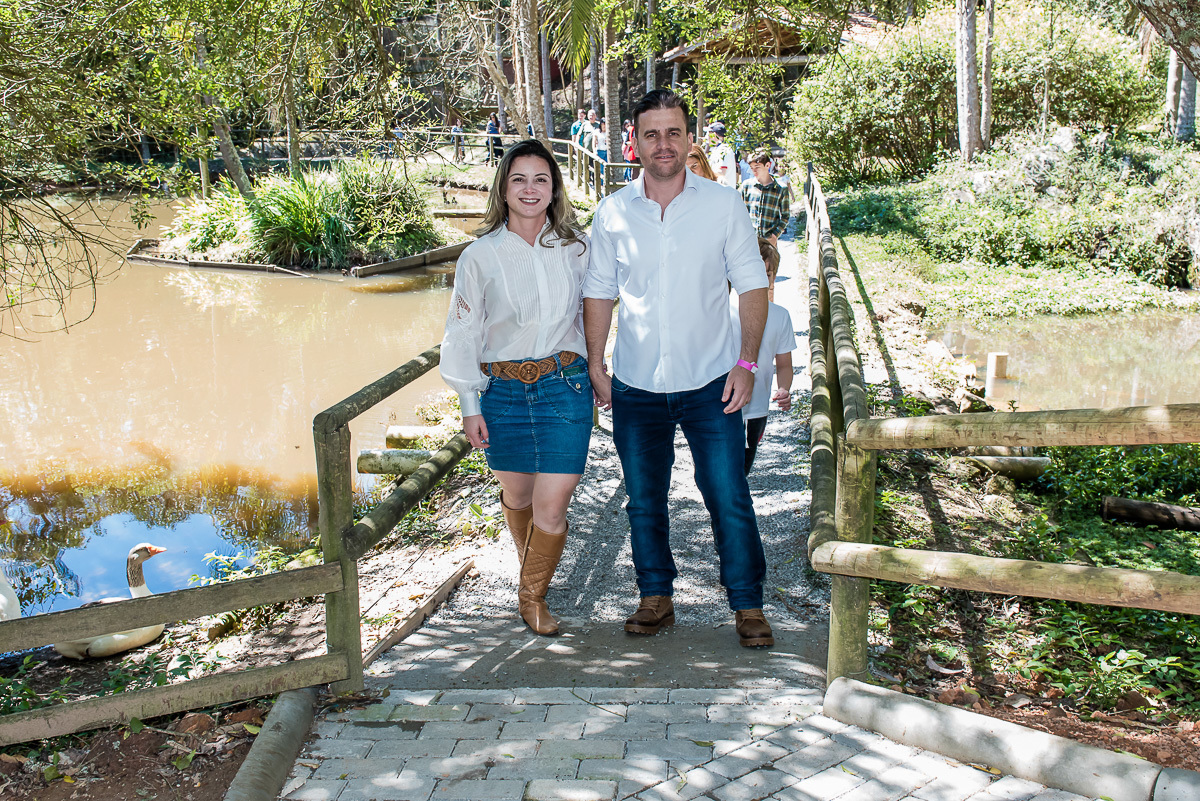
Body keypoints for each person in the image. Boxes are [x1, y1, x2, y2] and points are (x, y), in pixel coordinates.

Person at [582, 88, 774, 648]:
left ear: (690, 139)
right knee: (644, 496)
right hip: (637, 383)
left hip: (712, 378)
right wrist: (597, 362)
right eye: (651, 134)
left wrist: (747, 362)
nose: (663, 144)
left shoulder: (722, 205)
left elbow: (753, 285)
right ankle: (656, 597)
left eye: (673, 132)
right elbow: (598, 291)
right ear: (633, 143)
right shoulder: (614, 212)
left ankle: (748, 604)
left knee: (727, 491)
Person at [439, 140, 592, 637]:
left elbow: (600, 308)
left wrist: (602, 368)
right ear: (503, 188)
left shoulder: (576, 248)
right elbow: (463, 332)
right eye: (519, 179)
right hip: (501, 393)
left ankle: (532, 598)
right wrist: (468, 403)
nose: (531, 189)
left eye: (541, 179)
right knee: (518, 493)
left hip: (563, 387)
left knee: (554, 501)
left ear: (555, 189)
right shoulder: (479, 256)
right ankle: (531, 567)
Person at [733, 238, 795, 475]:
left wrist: (784, 388)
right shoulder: (721, 310)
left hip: (757, 408)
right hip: (719, 405)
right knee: (715, 470)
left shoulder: (780, 317)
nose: (762, 280)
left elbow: (784, 364)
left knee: (743, 469)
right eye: (755, 273)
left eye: (768, 274)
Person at [739, 151, 791, 249]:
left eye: (757, 168)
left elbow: (785, 216)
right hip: (749, 242)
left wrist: (775, 236)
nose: (754, 172)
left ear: (767, 165)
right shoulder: (746, 186)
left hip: (769, 243)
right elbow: (739, 212)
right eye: (752, 168)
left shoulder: (780, 189)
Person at [705, 122, 738, 188]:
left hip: (724, 194)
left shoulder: (724, 150)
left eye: (708, 133)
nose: (706, 137)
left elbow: (721, 173)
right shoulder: (717, 149)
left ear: (714, 135)